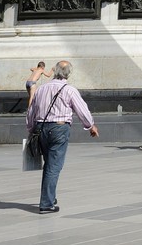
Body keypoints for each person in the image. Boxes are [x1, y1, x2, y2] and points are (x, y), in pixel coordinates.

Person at [25, 60, 99, 214]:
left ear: (55, 71)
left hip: (41, 128)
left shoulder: (41, 89)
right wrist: (90, 126)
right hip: (59, 128)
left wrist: (31, 129)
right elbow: (82, 109)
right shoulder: (69, 90)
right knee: (54, 166)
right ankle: (46, 203)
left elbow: (32, 110)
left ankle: (50, 197)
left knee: (49, 164)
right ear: (68, 74)